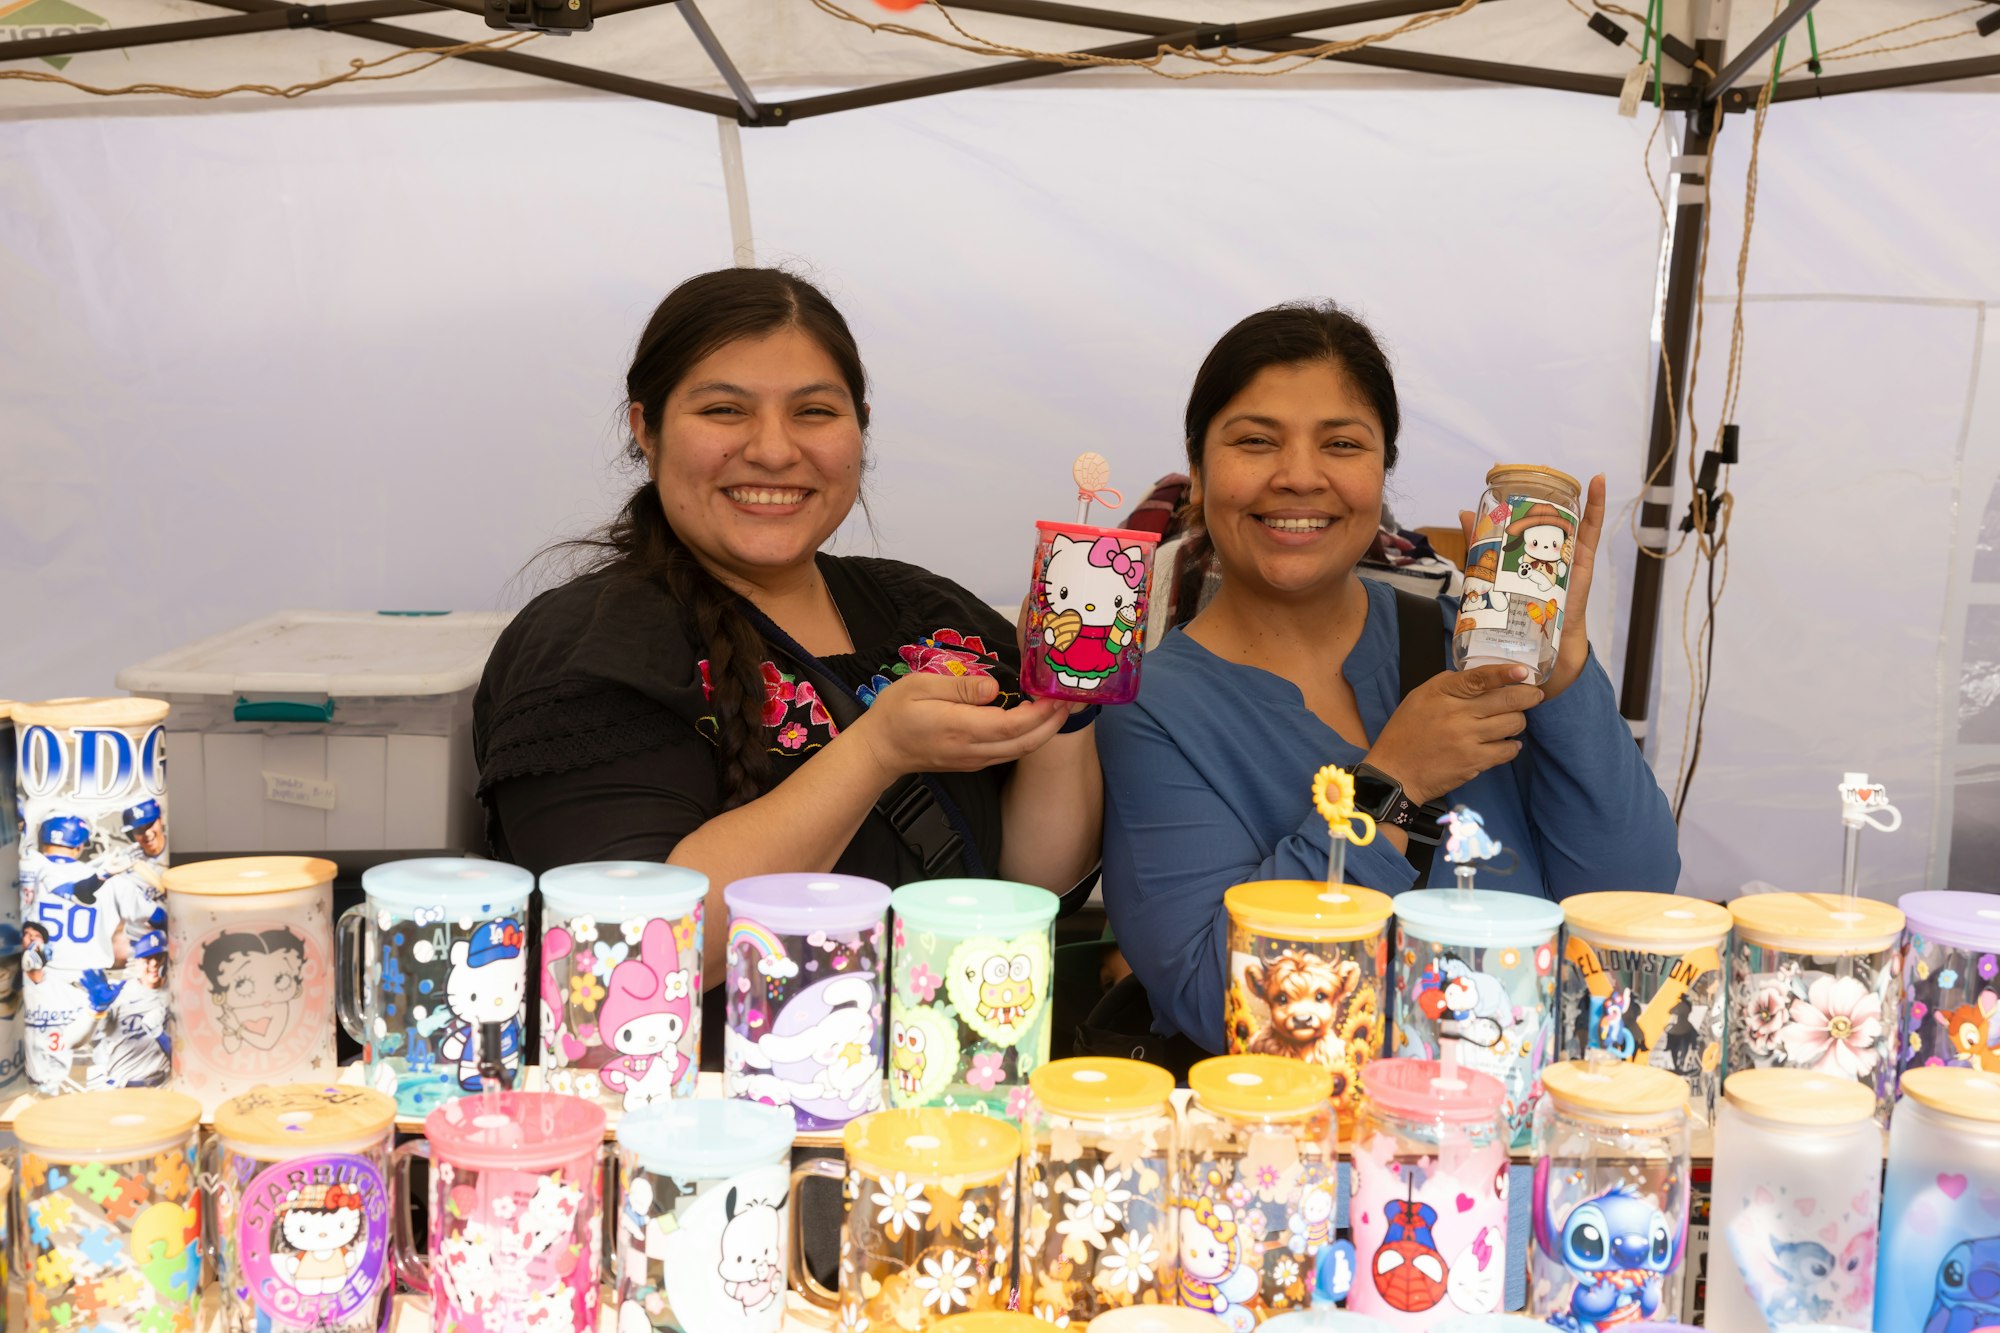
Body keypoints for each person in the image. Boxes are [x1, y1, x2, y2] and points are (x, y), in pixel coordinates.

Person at [474, 267, 1103, 991]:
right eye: (724, 410)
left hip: (942, 1085)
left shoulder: (931, 612)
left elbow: (1034, 888)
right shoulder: (589, 648)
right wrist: (875, 751)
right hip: (712, 1095)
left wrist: (1067, 687)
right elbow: (632, 952)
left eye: (813, 412)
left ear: (859, 426)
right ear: (645, 429)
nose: (774, 450)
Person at [1095, 302, 1680, 1054]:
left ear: (1381, 472)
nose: (1300, 476)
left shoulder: (1463, 649)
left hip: (1517, 1136)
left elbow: (1629, 902)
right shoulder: (1151, 708)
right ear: (1200, 470)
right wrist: (1392, 781)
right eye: (1255, 440)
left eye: (1341, 443)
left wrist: (1567, 682)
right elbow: (1226, 1003)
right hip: (1315, 1154)